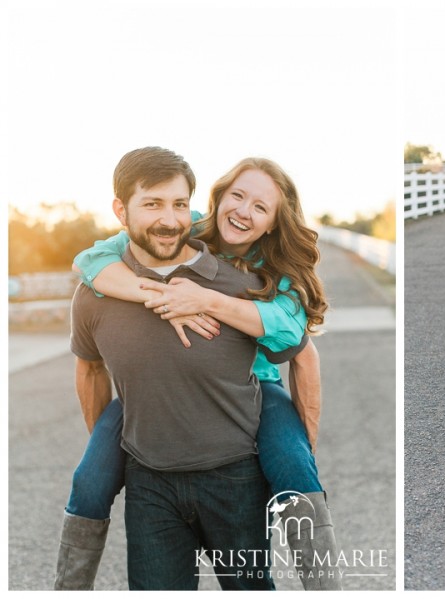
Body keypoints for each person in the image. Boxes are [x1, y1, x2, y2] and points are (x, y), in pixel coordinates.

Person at [58, 148, 342, 590]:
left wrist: (207, 300)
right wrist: (156, 294)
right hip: (148, 411)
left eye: (261, 207)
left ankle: (326, 585)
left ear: (273, 221)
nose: (244, 212)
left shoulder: (273, 275)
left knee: (293, 463)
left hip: (256, 385)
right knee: (91, 478)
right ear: (217, 196)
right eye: (238, 196)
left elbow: (295, 344)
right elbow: (90, 260)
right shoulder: (182, 224)